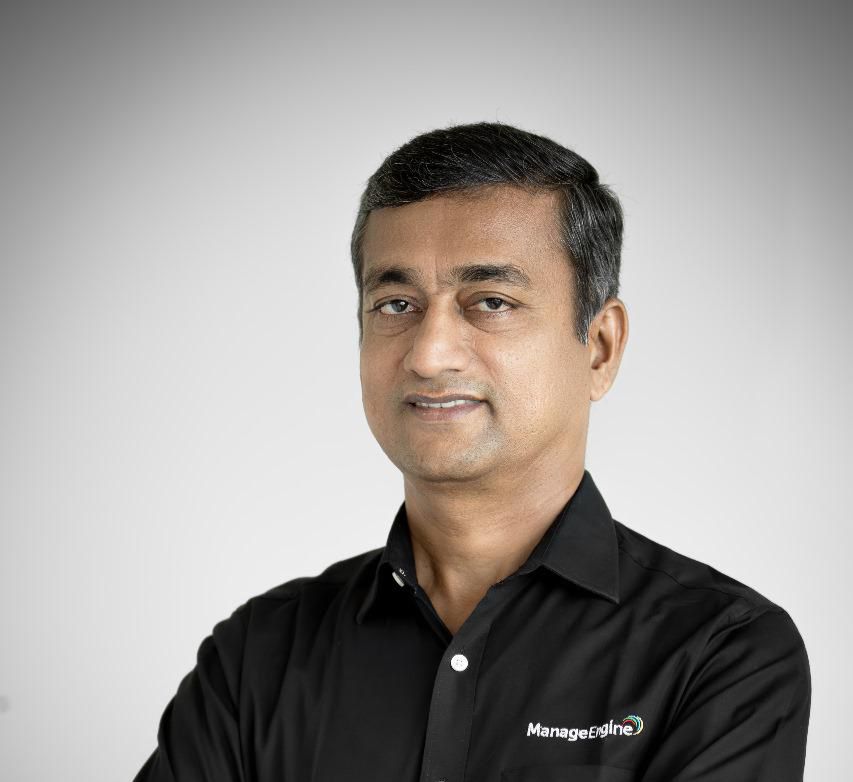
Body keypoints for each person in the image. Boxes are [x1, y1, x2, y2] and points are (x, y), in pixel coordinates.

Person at [133, 122, 811, 781]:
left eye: (490, 301)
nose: (429, 354)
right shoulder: (257, 657)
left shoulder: (720, 653)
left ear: (600, 348)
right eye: (396, 304)